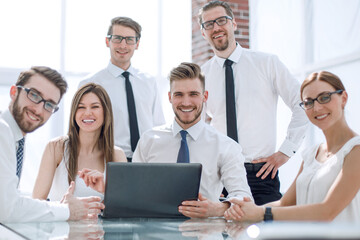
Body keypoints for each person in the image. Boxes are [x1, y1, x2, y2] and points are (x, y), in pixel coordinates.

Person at [79, 62, 253, 218]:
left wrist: (216, 209)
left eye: (193, 94)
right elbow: (135, 195)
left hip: (204, 231)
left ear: (204, 96)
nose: (186, 102)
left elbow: (244, 198)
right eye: (179, 94)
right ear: (170, 97)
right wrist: (110, 189)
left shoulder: (226, 146)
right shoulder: (149, 140)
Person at [198, 0, 309, 204]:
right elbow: (198, 126)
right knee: (219, 234)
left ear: (234, 24)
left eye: (221, 20)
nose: (216, 27)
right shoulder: (201, 76)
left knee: (268, 233)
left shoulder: (267, 63)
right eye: (209, 24)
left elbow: (303, 104)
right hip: (219, 176)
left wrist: (286, 151)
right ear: (203, 33)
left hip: (261, 175)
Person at [224, 71, 360, 222]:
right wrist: (237, 209)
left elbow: (327, 211)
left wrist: (261, 213)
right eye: (309, 102)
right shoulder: (312, 154)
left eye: (324, 97)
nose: (317, 108)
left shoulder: (356, 150)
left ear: (344, 98)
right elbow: (284, 203)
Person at [0, 66, 104, 222]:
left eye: (49, 104)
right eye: (34, 95)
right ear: (14, 92)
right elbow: (8, 208)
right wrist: (67, 210)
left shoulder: (15, 138)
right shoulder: (2, 130)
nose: (38, 109)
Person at [79, 16, 165, 161]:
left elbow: (158, 125)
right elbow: (83, 129)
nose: (123, 45)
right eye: (117, 38)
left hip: (148, 160)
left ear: (137, 44)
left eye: (129, 40)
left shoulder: (149, 82)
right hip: (108, 160)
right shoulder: (91, 84)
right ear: (108, 41)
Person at [32, 83, 127, 201]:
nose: (87, 113)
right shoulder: (56, 147)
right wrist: (64, 209)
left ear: (105, 112)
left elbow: (124, 208)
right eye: (81, 107)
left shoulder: (116, 155)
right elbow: (36, 202)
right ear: (74, 113)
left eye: (95, 107)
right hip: (62, 219)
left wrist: (106, 191)